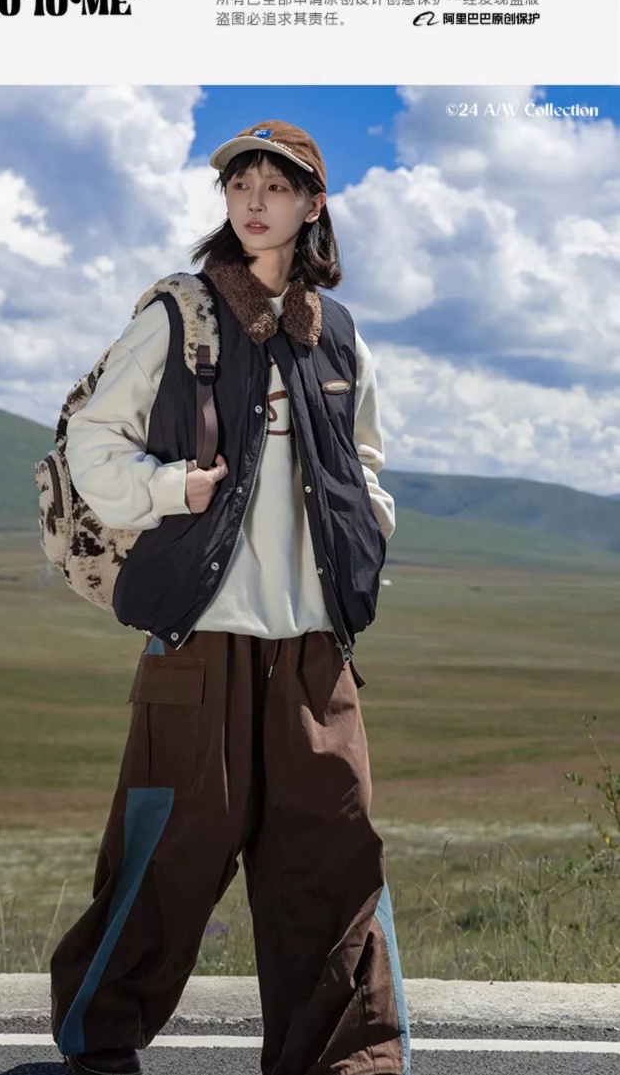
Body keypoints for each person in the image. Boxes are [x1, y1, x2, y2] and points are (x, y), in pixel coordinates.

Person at [49, 120, 411, 1075]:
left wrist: (366, 525)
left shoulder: (338, 333)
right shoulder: (182, 315)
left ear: (313, 204)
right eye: (239, 183)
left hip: (315, 648)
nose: (254, 200)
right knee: (169, 850)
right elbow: (93, 441)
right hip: (201, 641)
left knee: (333, 852)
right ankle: (101, 1035)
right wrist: (172, 488)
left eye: (276, 186)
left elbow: (366, 459)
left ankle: (347, 1057)